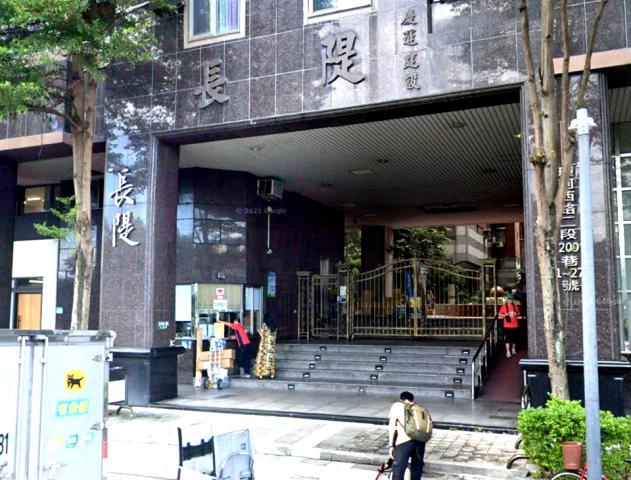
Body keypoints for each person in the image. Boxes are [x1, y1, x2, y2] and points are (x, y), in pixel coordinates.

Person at [388, 391, 426, 480]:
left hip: (404, 442)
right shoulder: (420, 408)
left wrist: (391, 445)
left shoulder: (397, 405)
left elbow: (392, 426)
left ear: (401, 399)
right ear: (412, 400)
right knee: (416, 474)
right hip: (420, 442)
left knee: (398, 473)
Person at [498, 293, 521, 358]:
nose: (510, 300)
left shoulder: (515, 306)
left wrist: (516, 314)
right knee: (507, 339)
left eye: (511, 299)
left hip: (515, 325)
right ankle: (508, 351)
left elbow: (519, 313)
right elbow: (499, 314)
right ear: (507, 300)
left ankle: (513, 349)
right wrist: (505, 315)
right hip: (507, 325)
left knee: (514, 338)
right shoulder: (504, 306)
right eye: (509, 299)